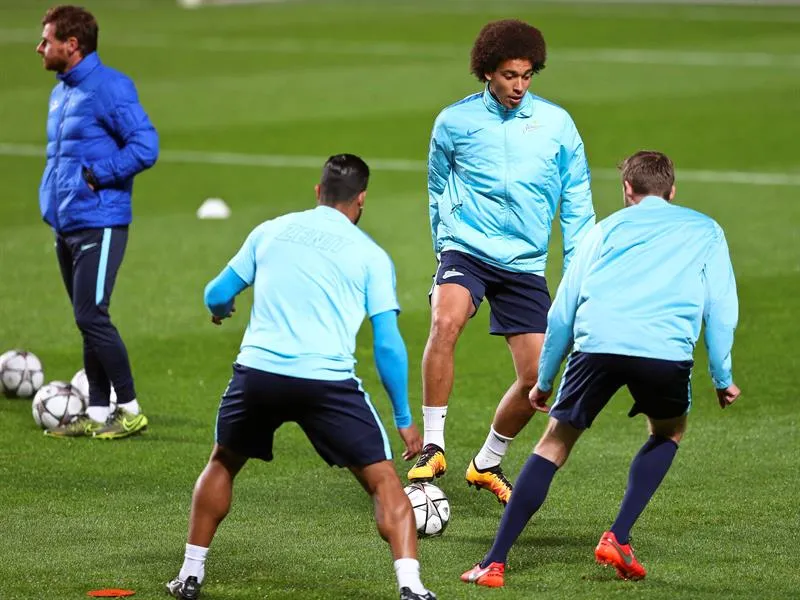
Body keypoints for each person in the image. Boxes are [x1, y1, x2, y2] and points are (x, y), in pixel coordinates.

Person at [461, 151, 741, 587]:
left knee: (554, 443)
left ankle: (493, 563)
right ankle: (619, 536)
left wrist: (545, 380)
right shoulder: (707, 230)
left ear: (627, 190)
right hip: (664, 350)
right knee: (667, 431)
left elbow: (563, 312)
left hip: (598, 344)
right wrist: (722, 377)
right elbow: (721, 307)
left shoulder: (604, 231)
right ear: (673, 188)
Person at [166, 155, 436, 600]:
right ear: (361, 200)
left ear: (317, 191)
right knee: (384, 481)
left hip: (258, 376)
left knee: (223, 462)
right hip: (326, 384)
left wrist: (222, 310)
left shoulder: (270, 230)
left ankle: (190, 575)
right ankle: (411, 587)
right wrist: (405, 418)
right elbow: (387, 344)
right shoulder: (371, 255)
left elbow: (215, 294)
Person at [408, 19, 595, 505]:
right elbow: (437, 188)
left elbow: (577, 199)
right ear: (487, 71)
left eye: (528, 75)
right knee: (445, 320)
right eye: (510, 75)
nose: (519, 86)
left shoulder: (557, 125)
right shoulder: (454, 122)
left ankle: (486, 462)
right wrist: (445, 243)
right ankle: (434, 443)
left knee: (537, 379)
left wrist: (578, 266)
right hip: (466, 249)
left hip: (525, 262)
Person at [36, 5, 159, 439]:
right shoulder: (61, 91)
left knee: (91, 315)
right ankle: (99, 413)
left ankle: (130, 408)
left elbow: (146, 146)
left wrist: (96, 176)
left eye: (46, 40)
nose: (39, 48)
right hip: (66, 222)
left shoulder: (109, 88)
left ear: (72, 45)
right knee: (85, 318)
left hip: (100, 220)